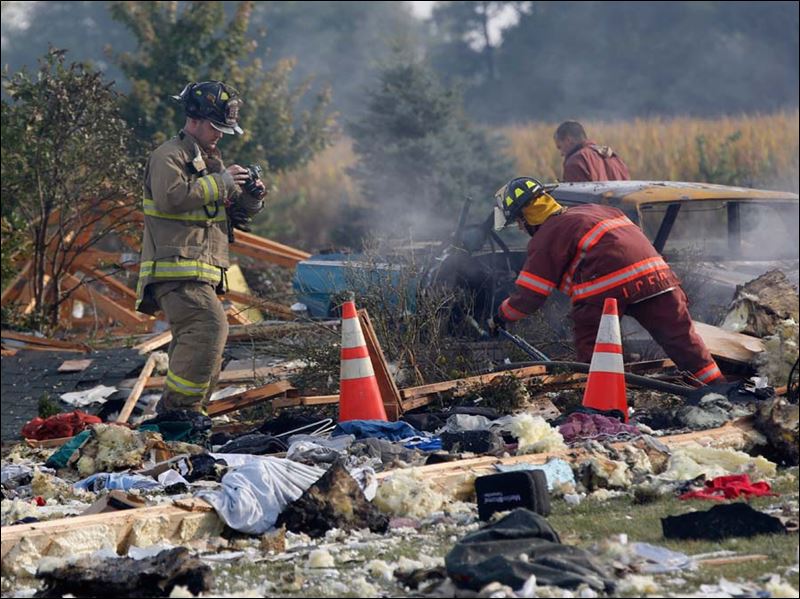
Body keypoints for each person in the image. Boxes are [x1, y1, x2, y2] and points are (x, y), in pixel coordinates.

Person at [488, 177, 724, 386]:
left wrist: (500, 316)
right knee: (681, 339)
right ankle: (718, 388)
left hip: (607, 290)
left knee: (594, 348)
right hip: (659, 278)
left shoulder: (547, 235)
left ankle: (601, 404)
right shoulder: (597, 210)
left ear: (527, 216)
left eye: (519, 221)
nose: (520, 227)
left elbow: (529, 297)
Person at [135, 81, 266, 413]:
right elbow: (171, 197)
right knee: (209, 326)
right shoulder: (168, 155)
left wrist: (252, 196)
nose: (220, 134)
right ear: (194, 118)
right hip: (174, 267)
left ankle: (189, 414)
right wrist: (219, 183)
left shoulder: (209, 162)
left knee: (199, 337)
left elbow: (234, 213)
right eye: (216, 126)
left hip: (197, 270)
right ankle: (180, 411)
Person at [554, 121, 630, 182]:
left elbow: (577, 199)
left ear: (568, 140)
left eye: (560, 147)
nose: (561, 154)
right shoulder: (614, 158)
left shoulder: (575, 162)